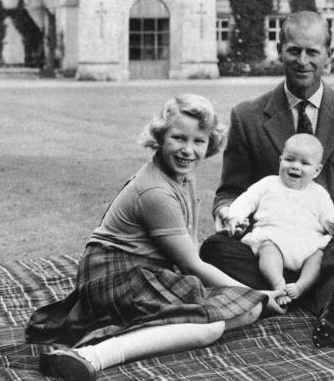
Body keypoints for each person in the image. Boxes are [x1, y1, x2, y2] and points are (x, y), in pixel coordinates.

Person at [26, 95, 284, 381]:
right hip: (114, 275)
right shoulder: (155, 192)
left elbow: (191, 248)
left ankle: (135, 331)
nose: (188, 150)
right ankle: (91, 356)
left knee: (245, 310)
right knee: (213, 325)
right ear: (160, 137)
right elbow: (192, 266)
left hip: (145, 272)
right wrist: (259, 294)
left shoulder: (183, 175)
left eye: (198, 141)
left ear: (209, 143)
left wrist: (250, 299)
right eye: (178, 138)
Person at [200, 11, 334, 347]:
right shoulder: (248, 116)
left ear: (329, 56)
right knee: (214, 249)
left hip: (328, 247)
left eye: (312, 52)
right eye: (294, 50)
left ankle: (295, 295)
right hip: (269, 250)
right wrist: (227, 213)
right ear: (279, 49)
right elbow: (231, 191)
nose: (303, 61)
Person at [223, 134, 334, 307]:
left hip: (307, 244)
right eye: (290, 159)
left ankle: (301, 287)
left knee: (318, 257)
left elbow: (330, 216)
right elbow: (247, 199)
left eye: (305, 163)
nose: (295, 166)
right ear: (280, 160)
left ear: (317, 170)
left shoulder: (319, 194)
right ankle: (278, 284)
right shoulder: (268, 184)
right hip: (274, 238)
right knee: (267, 250)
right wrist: (235, 216)